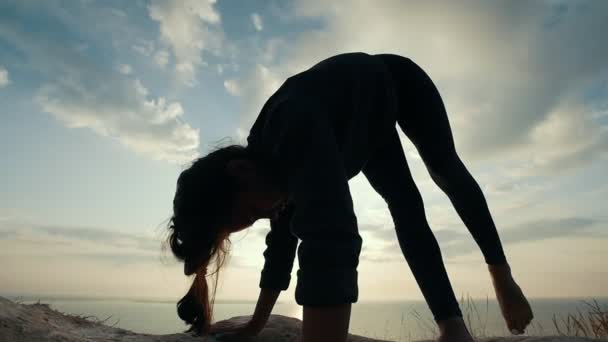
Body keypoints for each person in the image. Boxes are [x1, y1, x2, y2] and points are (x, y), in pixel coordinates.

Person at [165, 52, 534, 342]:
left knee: (444, 170)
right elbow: (281, 247)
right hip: (360, 132)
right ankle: (453, 327)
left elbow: (332, 236)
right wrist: (255, 325)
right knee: (405, 203)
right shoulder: (270, 180)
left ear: (241, 172)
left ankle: (501, 274)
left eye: (250, 210)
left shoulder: (292, 133)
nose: (263, 215)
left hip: (395, 81)